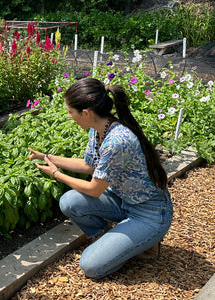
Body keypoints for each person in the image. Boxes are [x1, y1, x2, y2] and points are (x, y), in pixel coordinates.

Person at [28, 78, 173, 279]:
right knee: (69, 201)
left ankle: (144, 241)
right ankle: (109, 238)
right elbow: (89, 166)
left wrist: (56, 174)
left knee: (91, 266)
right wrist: (47, 157)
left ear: (86, 113)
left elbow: (94, 189)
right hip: (121, 199)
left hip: (149, 212)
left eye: (71, 112)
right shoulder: (99, 129)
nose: (69, 116)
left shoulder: (117, 141)